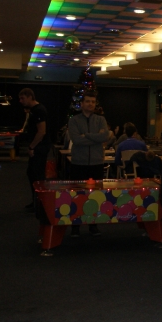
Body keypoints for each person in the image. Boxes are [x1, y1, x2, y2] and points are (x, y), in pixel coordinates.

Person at [67, 91, 109, 236]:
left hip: (96, 164)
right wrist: (96, 138)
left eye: (93, 101)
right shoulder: (74, 121)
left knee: (96, 196)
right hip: (79, 164)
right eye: (87, 101)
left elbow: (105, 136)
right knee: (77, 196)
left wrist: (87, 135)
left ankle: (93, 225)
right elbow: (76, 140)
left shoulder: (100, 119)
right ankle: (75, 227)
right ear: (82, 103)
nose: (90, 104)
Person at [19, 88, 50, 212]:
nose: (21, 101)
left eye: (23, 98)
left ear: (30, 97)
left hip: (40, 147)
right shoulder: (34, 110)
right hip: (38, 146)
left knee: (37, 176)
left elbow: (41, 132)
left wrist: (32, 146)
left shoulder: (39, 110)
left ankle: (40, 203)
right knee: (32, 174)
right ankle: (37, 201)